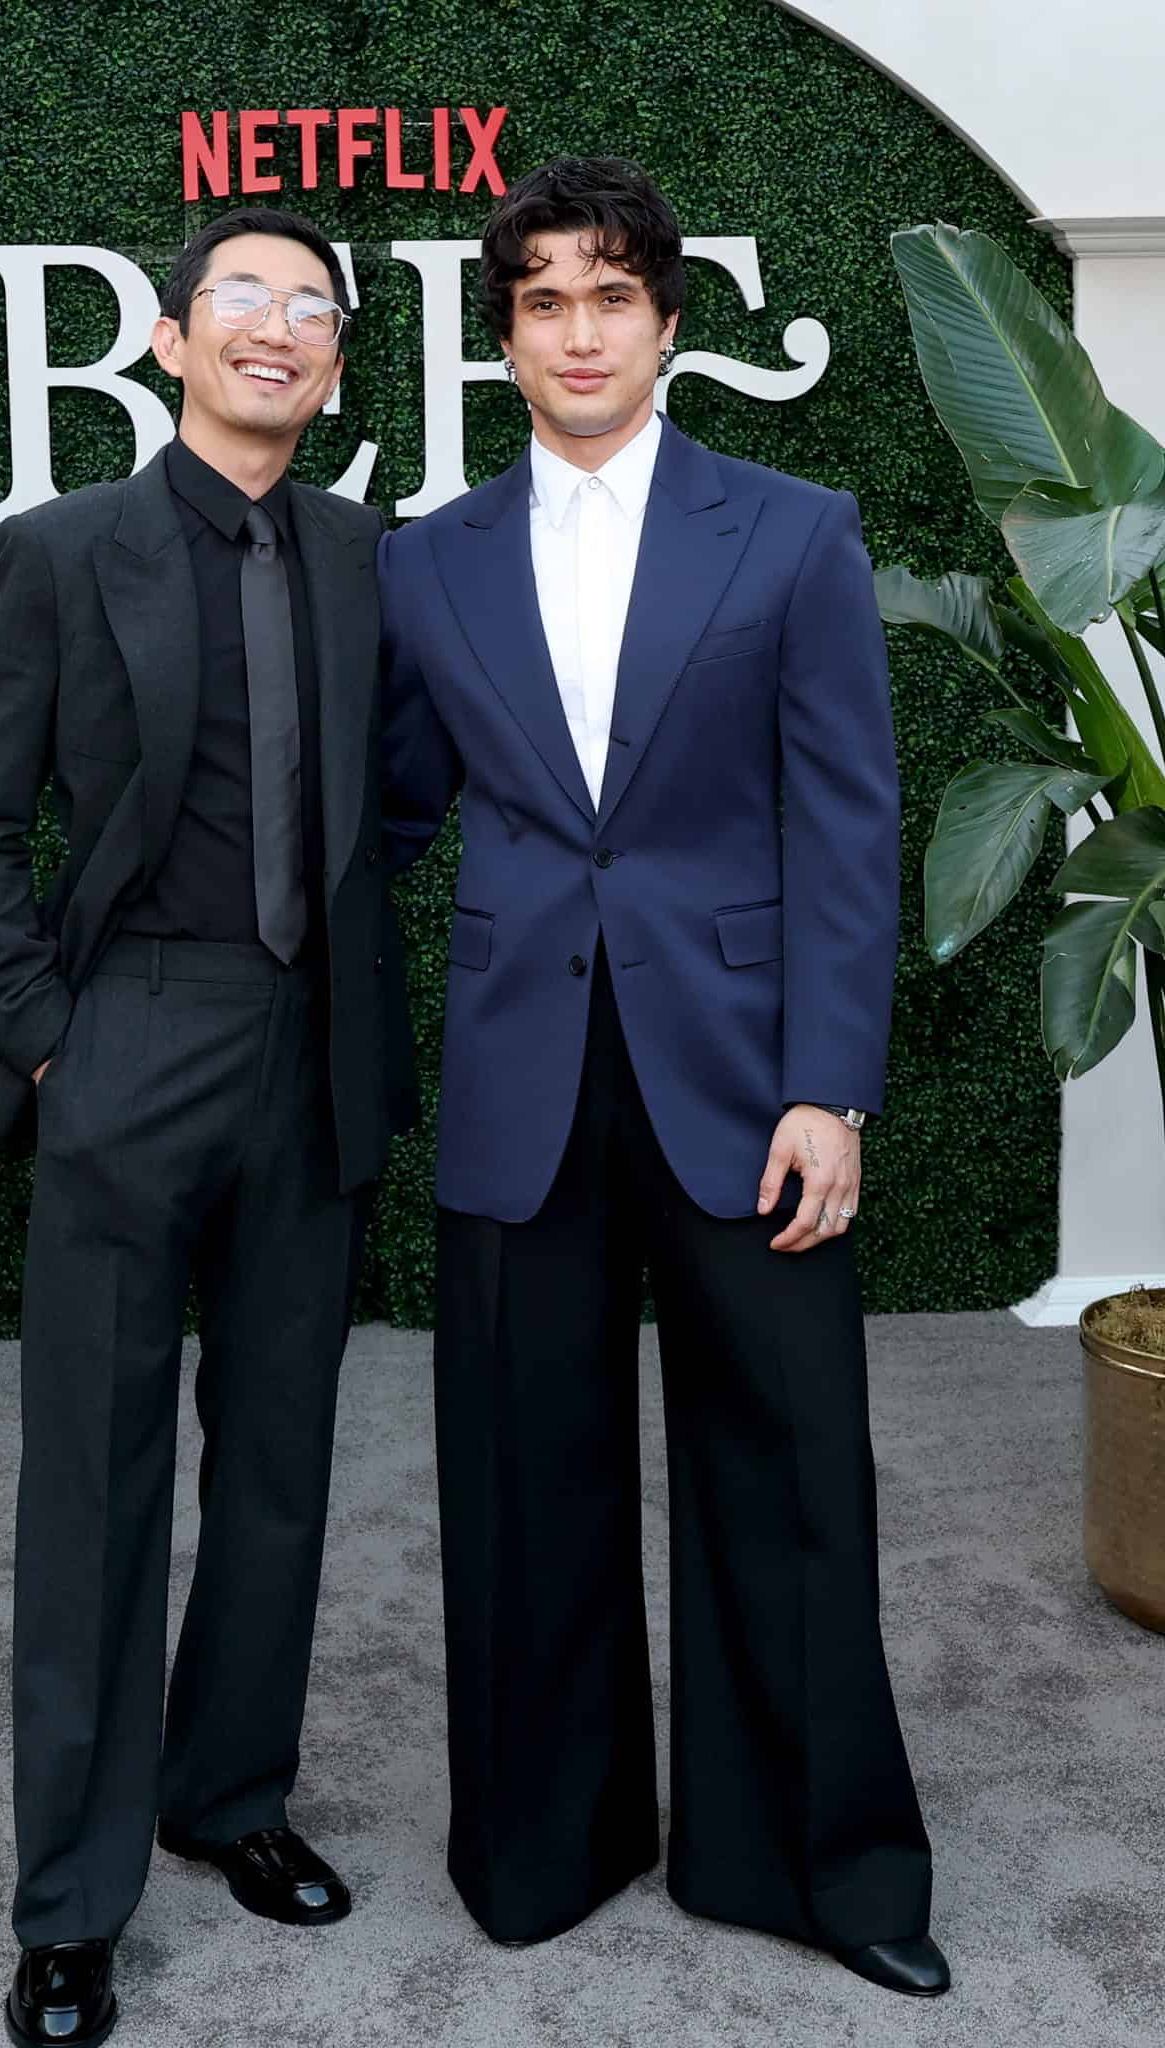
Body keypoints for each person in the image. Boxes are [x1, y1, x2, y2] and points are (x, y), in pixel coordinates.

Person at [378, 156, 949, 1999]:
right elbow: (384, 810)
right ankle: (547, 1846)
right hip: (520, 1074)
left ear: (668, 320)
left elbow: (848, 826)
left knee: (788, 1471)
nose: (577, 329)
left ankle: (824, 1867)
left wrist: (831, 1090)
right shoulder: (425, 557)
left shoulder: (791, 532)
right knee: (520, 1478)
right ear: (508, 339)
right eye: (541, 299)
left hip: (746, 1077)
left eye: (608, 293)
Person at [0, 206, 413, 2048]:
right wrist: (52, 1045)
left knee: (280, 1465)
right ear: (169, 338)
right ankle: (69, 1902)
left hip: (320, 1052)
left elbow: (407, 796)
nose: (275, 329)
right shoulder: (63, 552)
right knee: (99, 1486)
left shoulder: (374, 557)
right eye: (243, 300)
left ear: (338, 360)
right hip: (133, 1038)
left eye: (310, 308)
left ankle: (233, 1800)